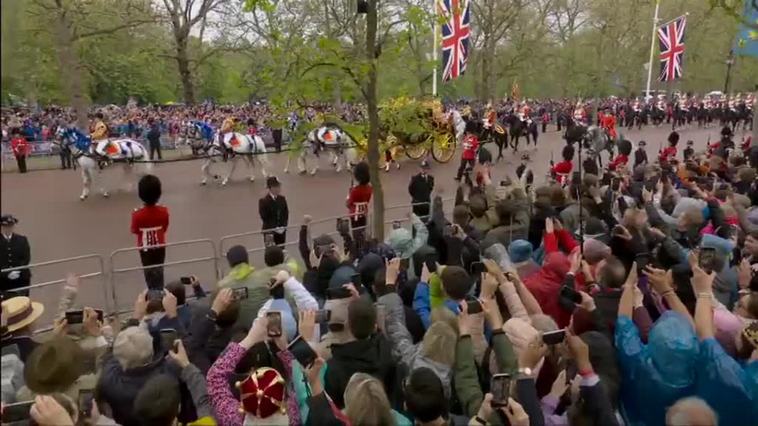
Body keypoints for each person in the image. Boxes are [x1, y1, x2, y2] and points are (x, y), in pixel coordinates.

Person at [131, 175, 170, 289]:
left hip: (145, 248)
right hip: (160, 246)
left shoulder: (137, 214)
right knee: (159, 270)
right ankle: (159, 291)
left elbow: (134, 230)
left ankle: (152, 292)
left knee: (148, 272)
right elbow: (165, 227)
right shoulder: (164, 211)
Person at [1, 215, 31, 297]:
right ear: (2, 227)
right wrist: (7, 274)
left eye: (10, 226)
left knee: (21, 304)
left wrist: (17, 271)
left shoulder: (22, 239)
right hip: (3, 279)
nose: (8, 229)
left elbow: (26, 258)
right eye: (5, 226)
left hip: (21, 278)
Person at [259, 176, 289, 247]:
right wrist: (275, 228)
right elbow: (264, 217)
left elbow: (286, 213)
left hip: (281, 231)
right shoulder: (264, 201)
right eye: (277, 187)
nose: (279, 189)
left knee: (282, 250)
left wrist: (283, 226)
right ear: (271, 188)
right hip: (269, 231)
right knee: (271, 252)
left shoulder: (282, 199)